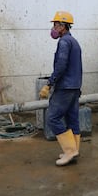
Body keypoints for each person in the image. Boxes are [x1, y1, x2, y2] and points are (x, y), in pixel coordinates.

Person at [39, 11, 82, 166]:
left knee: (53, 117)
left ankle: (70, 151)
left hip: (65, 87)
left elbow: (61, 65)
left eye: (56, 24)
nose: (53, 27)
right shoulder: (74, 42)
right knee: (72, 118)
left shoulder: (64, 42)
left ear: (63, 26)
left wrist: (49, 83)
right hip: (75, 86)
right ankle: (74, 149)